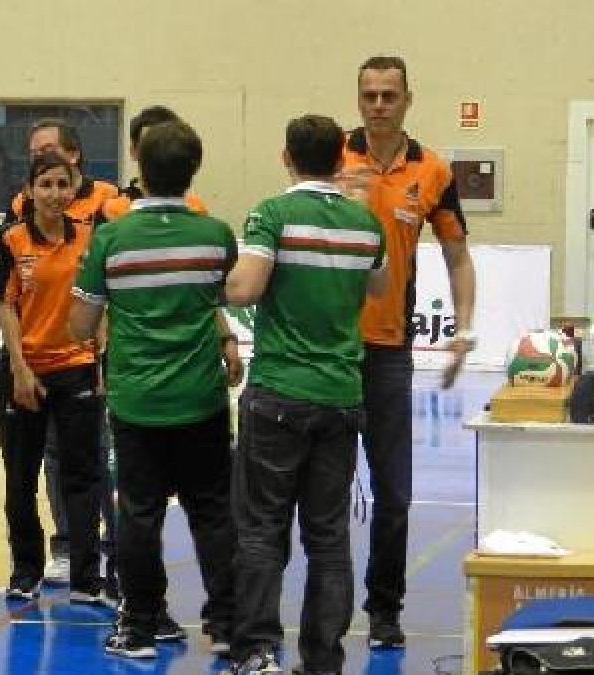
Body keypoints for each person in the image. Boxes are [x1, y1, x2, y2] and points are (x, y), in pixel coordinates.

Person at [221, 114, 388, 675]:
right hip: (341, 396)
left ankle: (256, 651)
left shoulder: (272, 213)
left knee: (263, 530)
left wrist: (216, 281)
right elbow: (379, 285)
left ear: (286, 156)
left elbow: (245, 286)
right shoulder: (367, 223)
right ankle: (323, 660)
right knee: (329, 538)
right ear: (341, 159)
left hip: (279, 396)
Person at [70, 120, 239, 660]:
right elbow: (223, 300)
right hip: (202, 401)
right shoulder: (215, 236)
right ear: (193, 170)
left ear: (139, 167)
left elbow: (79, 325)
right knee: (213, 512)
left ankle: (140, 628)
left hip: (137, 403)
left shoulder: (111, 239)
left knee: (138, 515)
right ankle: (227, 623)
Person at [340, 55, 477, 648]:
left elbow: (457, 255)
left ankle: (385, 611)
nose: (377, 104)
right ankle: (324, 614)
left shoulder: (434, 171)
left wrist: (464, 330)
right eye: (369, 94)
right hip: (328, 352)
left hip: (389, 354)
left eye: (388, 94)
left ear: (407, 99)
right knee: (319, 497)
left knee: (394, 493)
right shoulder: (331, 156)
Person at [0, 118, 119, 592]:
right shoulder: (12, 240)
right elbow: (6, 306)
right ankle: (26, 571)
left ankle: (86, 576)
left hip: (78, 371)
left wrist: (100, 363)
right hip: (25, 374)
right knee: (21, 478)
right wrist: (19, 369)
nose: (56, 193)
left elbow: (98, 304)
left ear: (75, 187)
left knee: (82, 476)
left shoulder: (90, 238)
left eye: (64, 184)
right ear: (30, 190)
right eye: (46, 184)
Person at [97, 105, 208, 223]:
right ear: (133, 152)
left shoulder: (195, 208)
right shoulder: (111, 210)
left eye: (166, 143)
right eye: (148, 144)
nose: (158, 151)